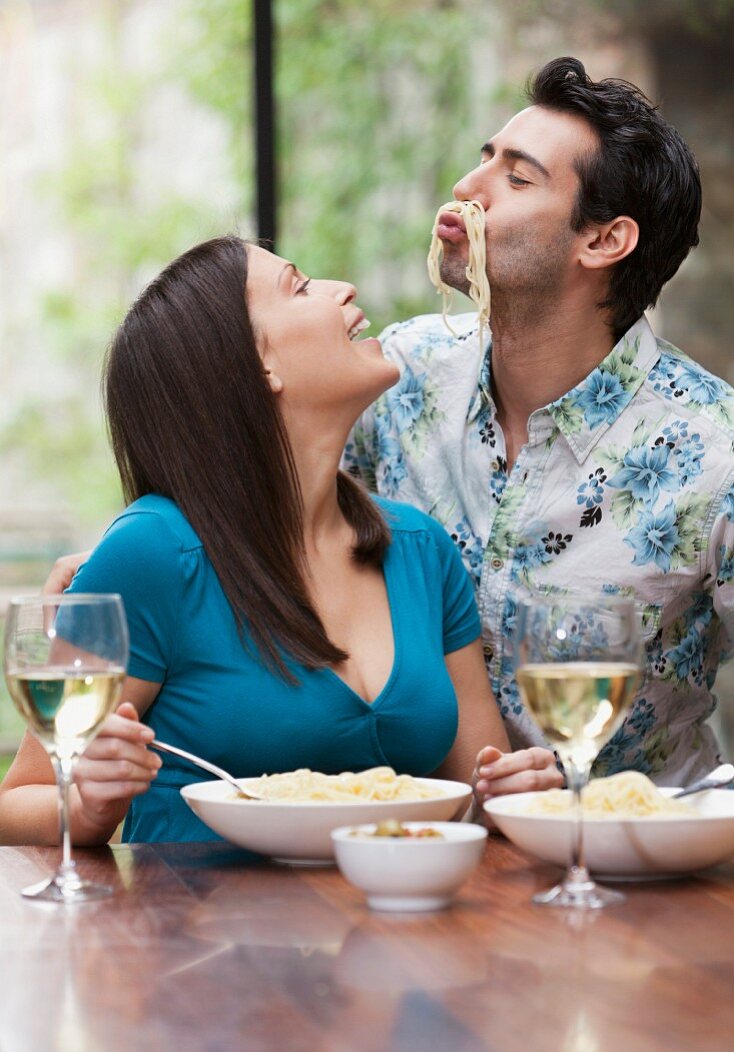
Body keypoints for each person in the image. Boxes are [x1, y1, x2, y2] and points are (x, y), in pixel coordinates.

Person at [0, 237, 562, 846]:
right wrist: (85, 806)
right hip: (193, 936)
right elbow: (18, 802)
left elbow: (476, 797)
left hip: (391, 932)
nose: (342, 290)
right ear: (256, 364)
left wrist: (515, 795)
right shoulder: (151, 554)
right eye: (299, 286)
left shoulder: (422, 549)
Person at [344, 56, 734, 790]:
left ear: (604, 241)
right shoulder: (401, 375)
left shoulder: (715, 452)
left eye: (517, 179)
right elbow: (274, 533)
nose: (468, 189)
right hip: (410, 845)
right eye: (484, 159)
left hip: (632, 876)